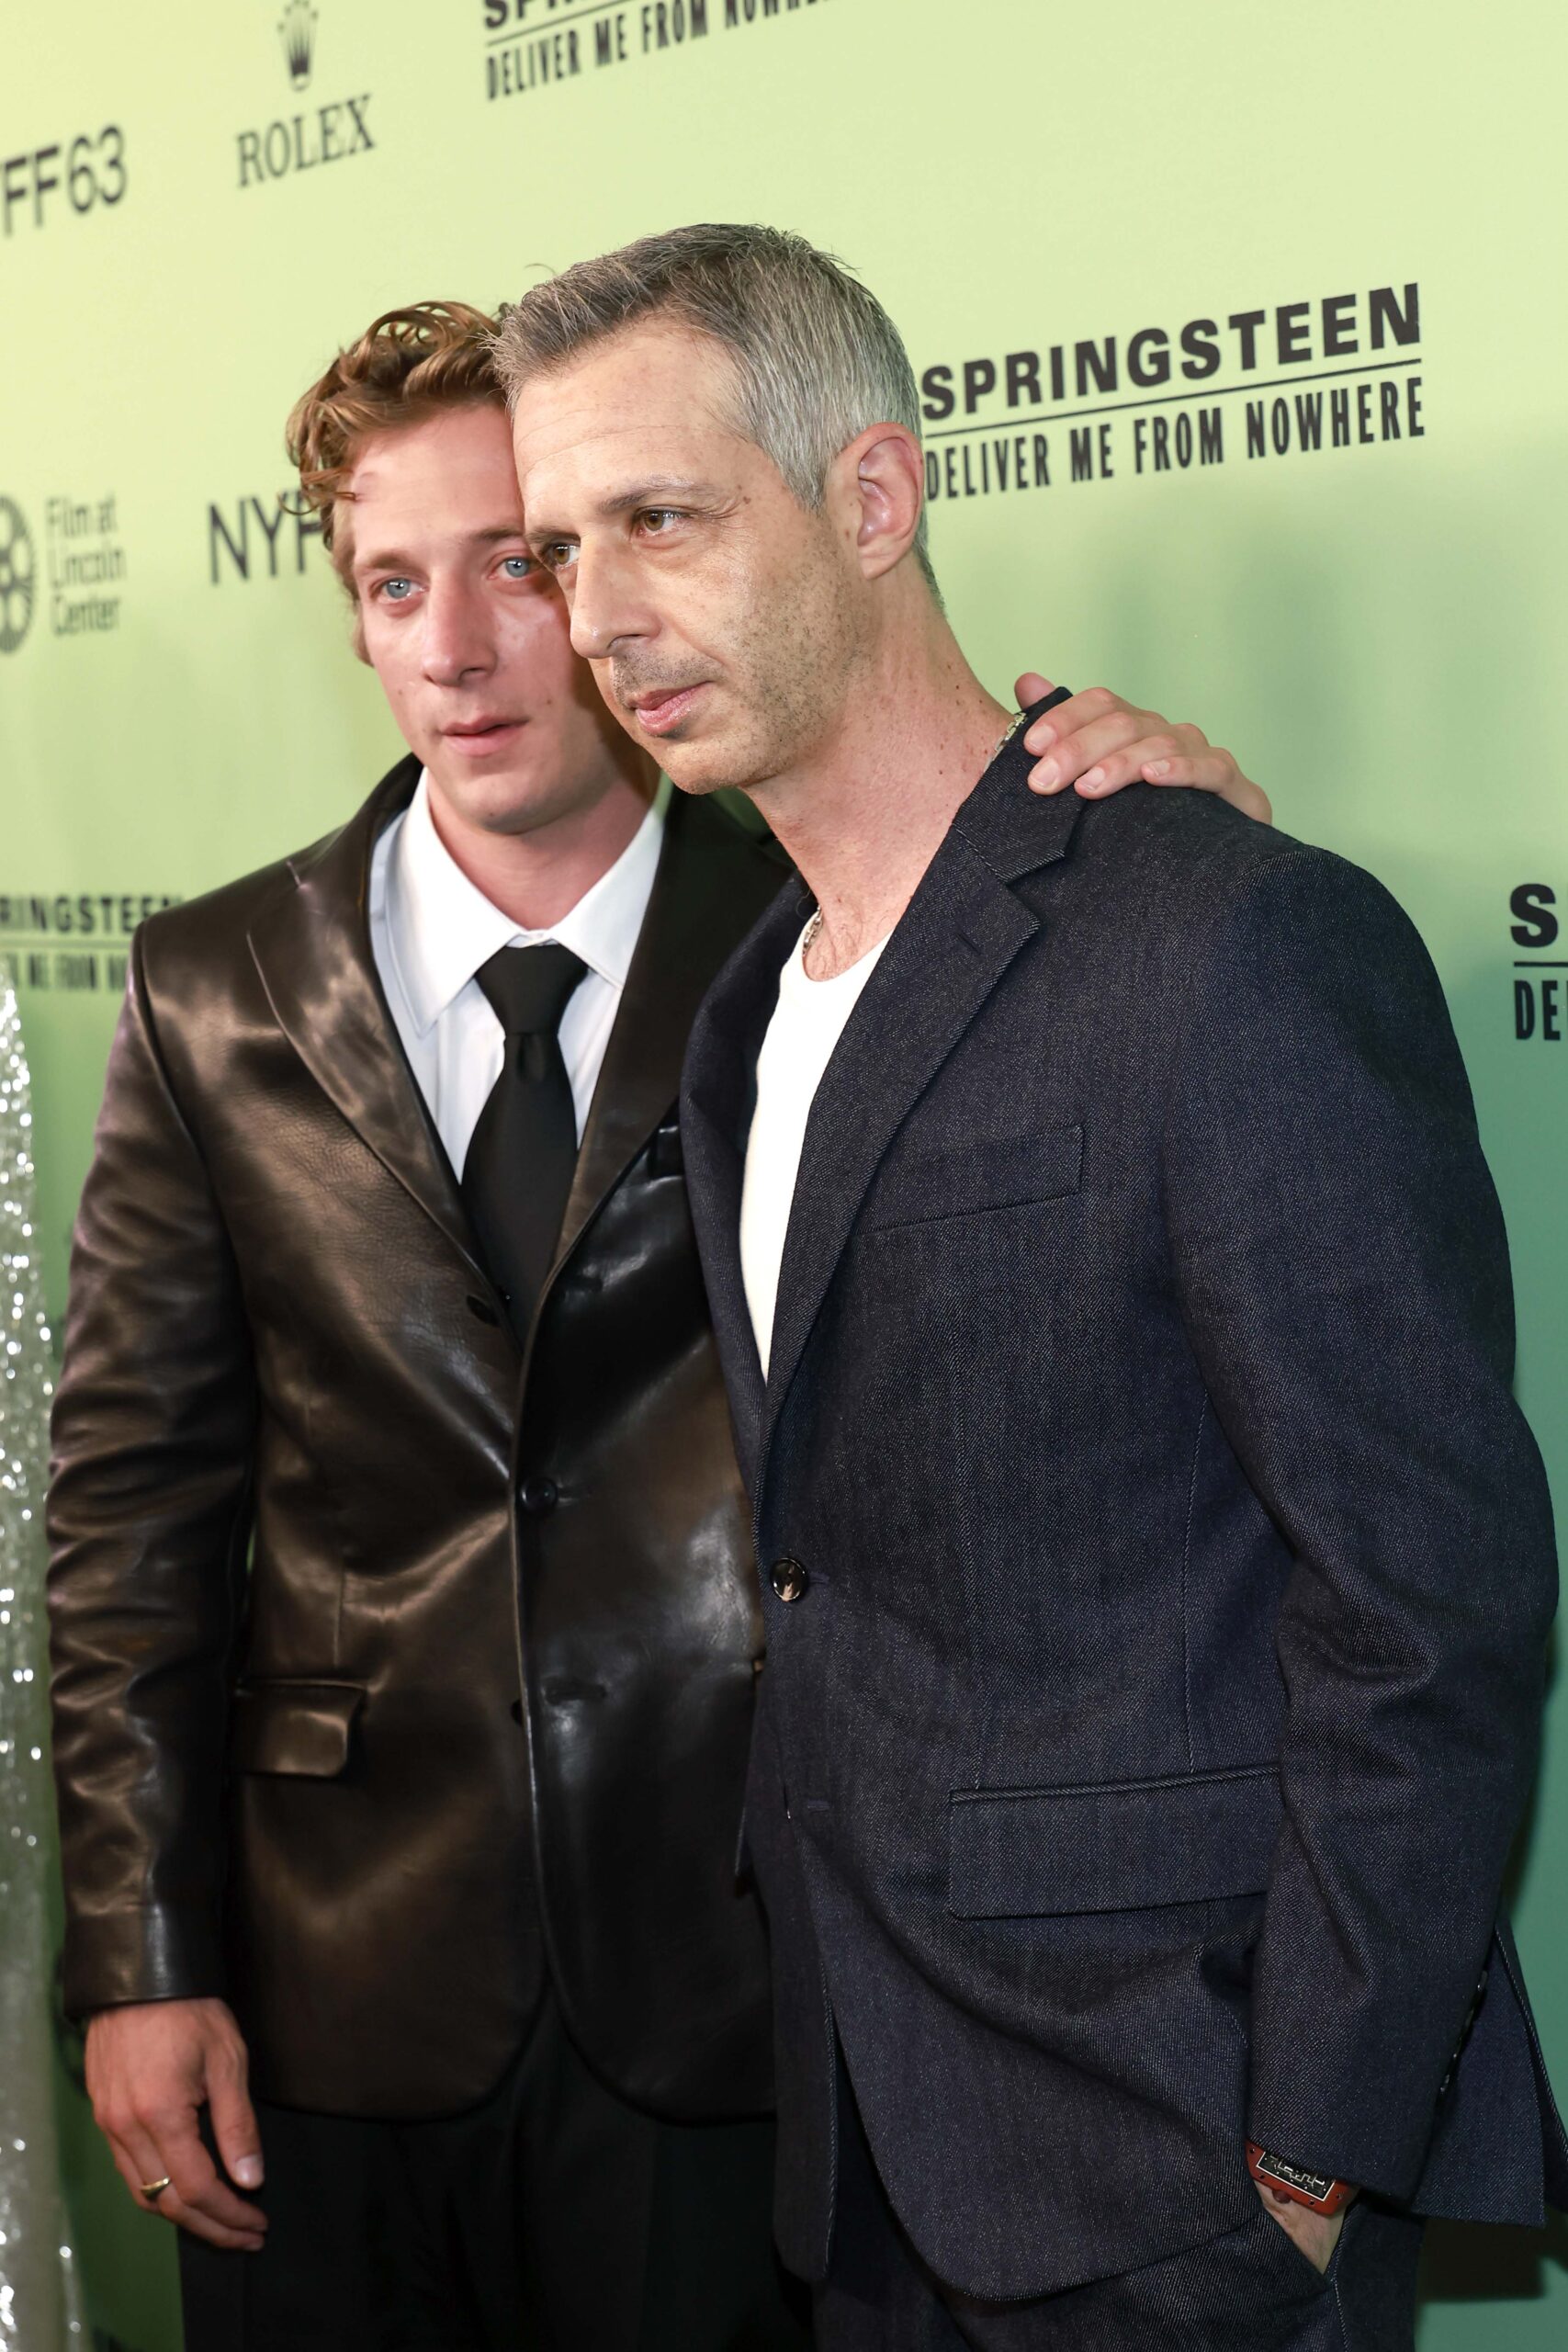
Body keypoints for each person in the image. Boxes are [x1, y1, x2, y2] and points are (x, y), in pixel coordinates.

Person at [46, 298, 1263, 2352]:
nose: (457, 644)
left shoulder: (825, 928)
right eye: (391, 582)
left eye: (515, 562)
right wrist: (135, 1946)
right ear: (345, 618)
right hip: (331, 1984)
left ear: (608, 574)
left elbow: (1090, 975)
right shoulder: (213, 986)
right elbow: (129, 1516)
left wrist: (1167, 806)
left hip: (746, 1963)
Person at [497, 224, 1568, 2350]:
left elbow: (1424, 1594)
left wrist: (1300, 2154)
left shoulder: (1220, 938)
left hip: (1175, 2177)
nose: (599, 614)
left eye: (662, 519)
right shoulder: (742, 1017)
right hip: (864, 2168)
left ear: (872, 500)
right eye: (556, 548)